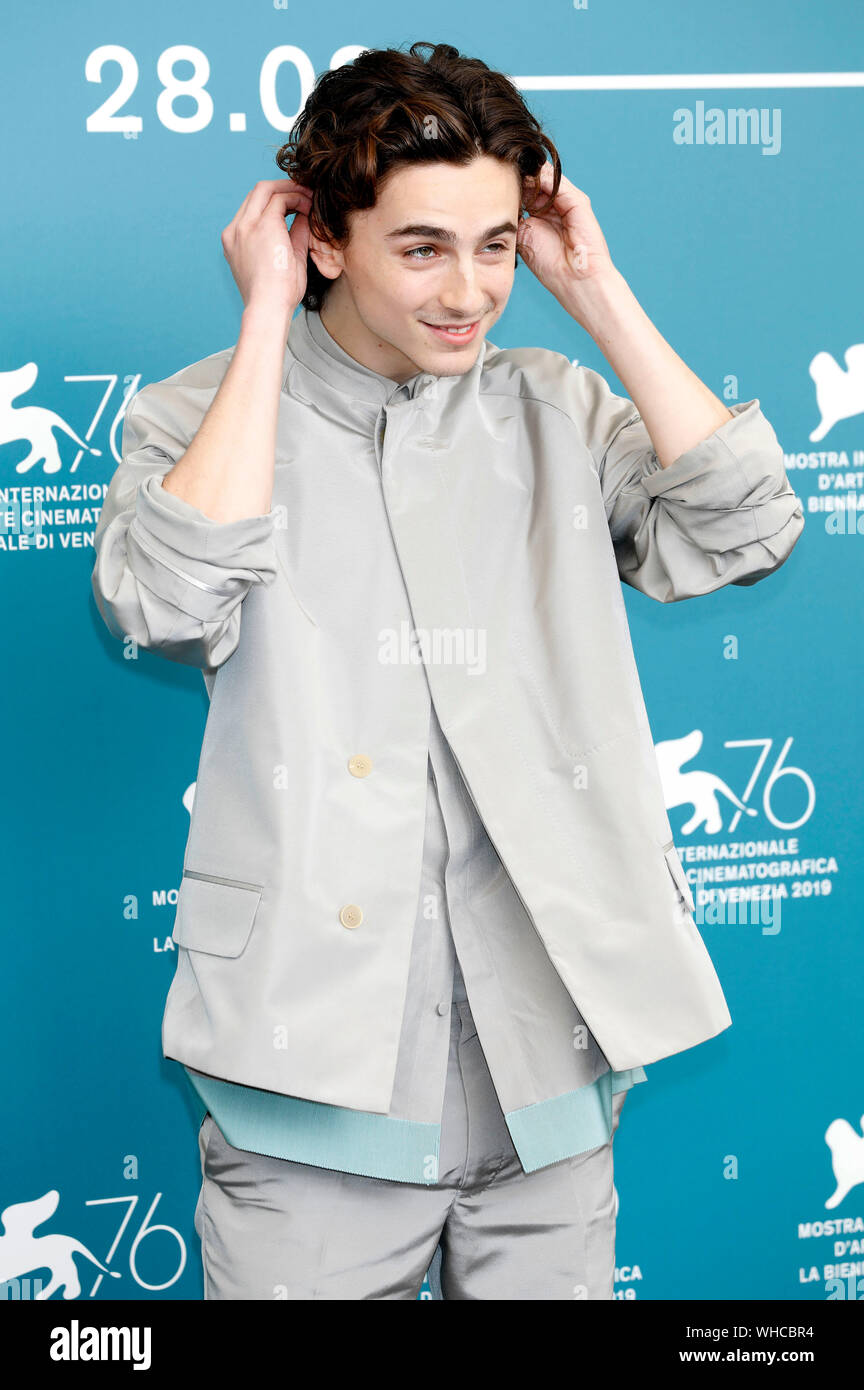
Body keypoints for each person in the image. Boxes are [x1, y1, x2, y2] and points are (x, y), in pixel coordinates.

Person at [91, 41, 804, 1300]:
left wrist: (594, 288)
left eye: (494, 244)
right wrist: (265, 320)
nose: (470, 290)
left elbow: (746, 527)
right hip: (310, 1081)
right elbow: (161, 596)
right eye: (423, 246)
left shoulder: (555, 405)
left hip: (551, 1078)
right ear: (319, 237)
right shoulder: (200, 417)